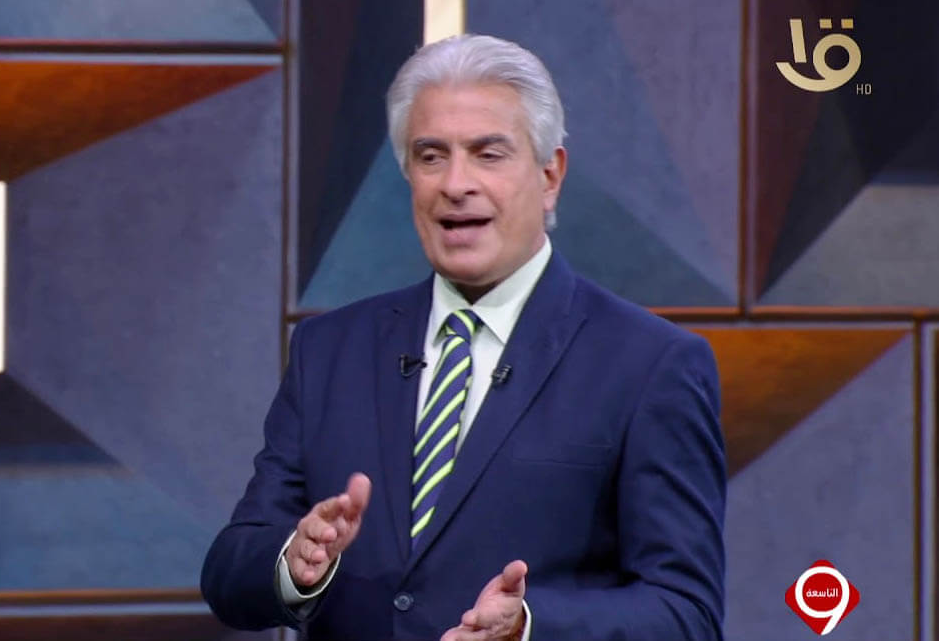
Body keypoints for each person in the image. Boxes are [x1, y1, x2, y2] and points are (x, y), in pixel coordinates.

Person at [201, 34, 725, 640]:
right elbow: (229, 572)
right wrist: (293, 564)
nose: (455, 183)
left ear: (550, 175)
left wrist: (529, 627)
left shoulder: (651, 364)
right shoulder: (329, 351)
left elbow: (687, 613)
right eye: (430, 156)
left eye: (488, 154)